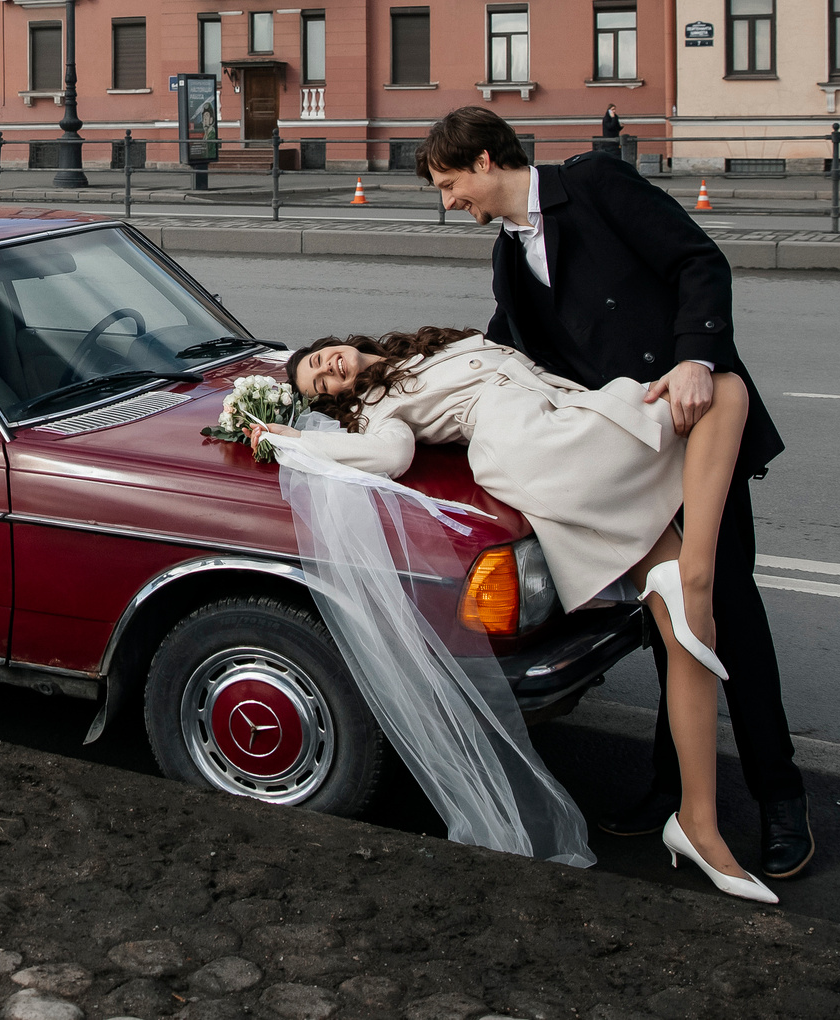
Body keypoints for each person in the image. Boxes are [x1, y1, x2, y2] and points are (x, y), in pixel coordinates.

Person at [419, 105, 812, 881]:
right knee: (670, 628)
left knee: (729, 618)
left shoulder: (594, 184)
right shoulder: (509, 255)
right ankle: (675, 797)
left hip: (692, 428)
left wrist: (697, 355)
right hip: (625, 458)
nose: (448, 201)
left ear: (489, 159)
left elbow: (698, 262)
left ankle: (780, 800)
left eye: (449, 182)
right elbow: (501, 349)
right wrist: (413, 376)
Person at [258, 327, 774, 903]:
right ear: (336, 400)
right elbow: (392, 454)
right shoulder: (378, 404)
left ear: (337, 340)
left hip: (571, 418)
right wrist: (296, 442)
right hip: (536, 450)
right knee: (723, 392)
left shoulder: (430, 346)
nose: (328, 369)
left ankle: (696, 823)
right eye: (321, 383)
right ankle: (695, 580)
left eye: (320, 360)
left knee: (687, 634)